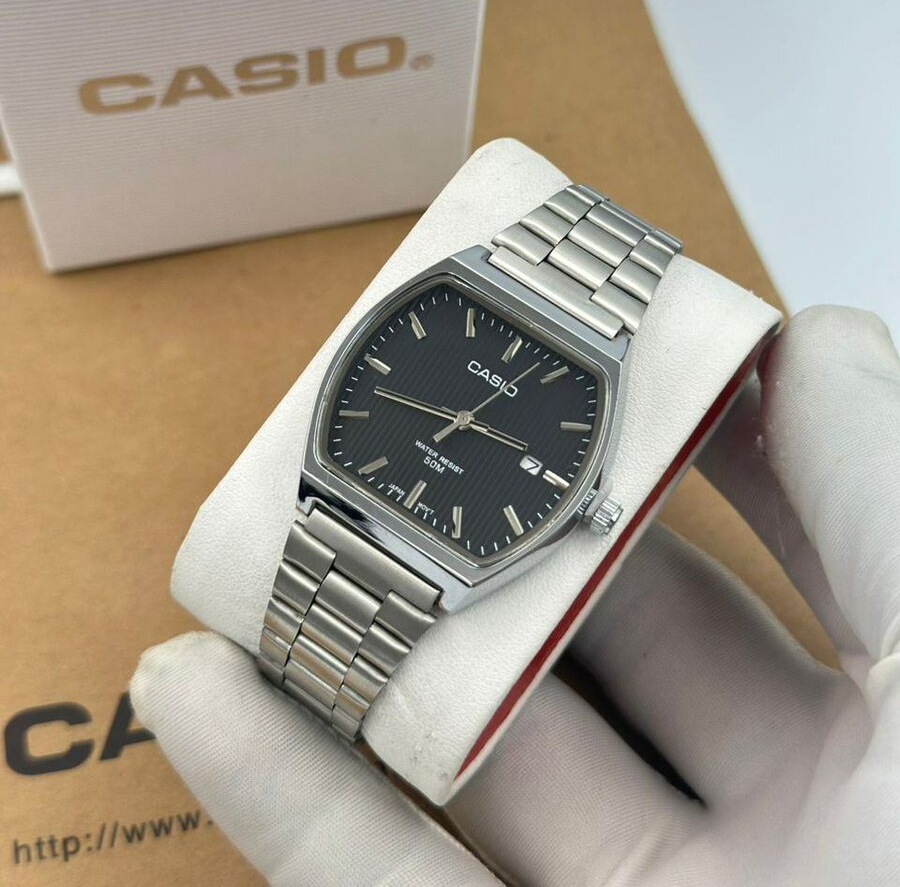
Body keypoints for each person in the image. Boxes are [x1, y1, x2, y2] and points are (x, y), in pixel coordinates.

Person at [131, 306, 900, 886]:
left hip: (460, 554)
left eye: (471, 422)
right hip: (345, 497)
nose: (465, 421)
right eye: (461, 416)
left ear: (589, 505)